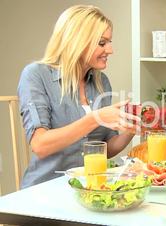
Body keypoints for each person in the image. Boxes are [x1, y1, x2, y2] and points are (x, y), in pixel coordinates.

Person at [17, 5, 138, 189]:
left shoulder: (101, 82)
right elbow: (40, 145)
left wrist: (132, 129)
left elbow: (106, 149)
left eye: (109, 42)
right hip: (45, 190)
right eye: (102, 43)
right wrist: (95, 118)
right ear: (77, 41)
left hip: (88, 190)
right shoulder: (36, 75)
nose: (110, 50)